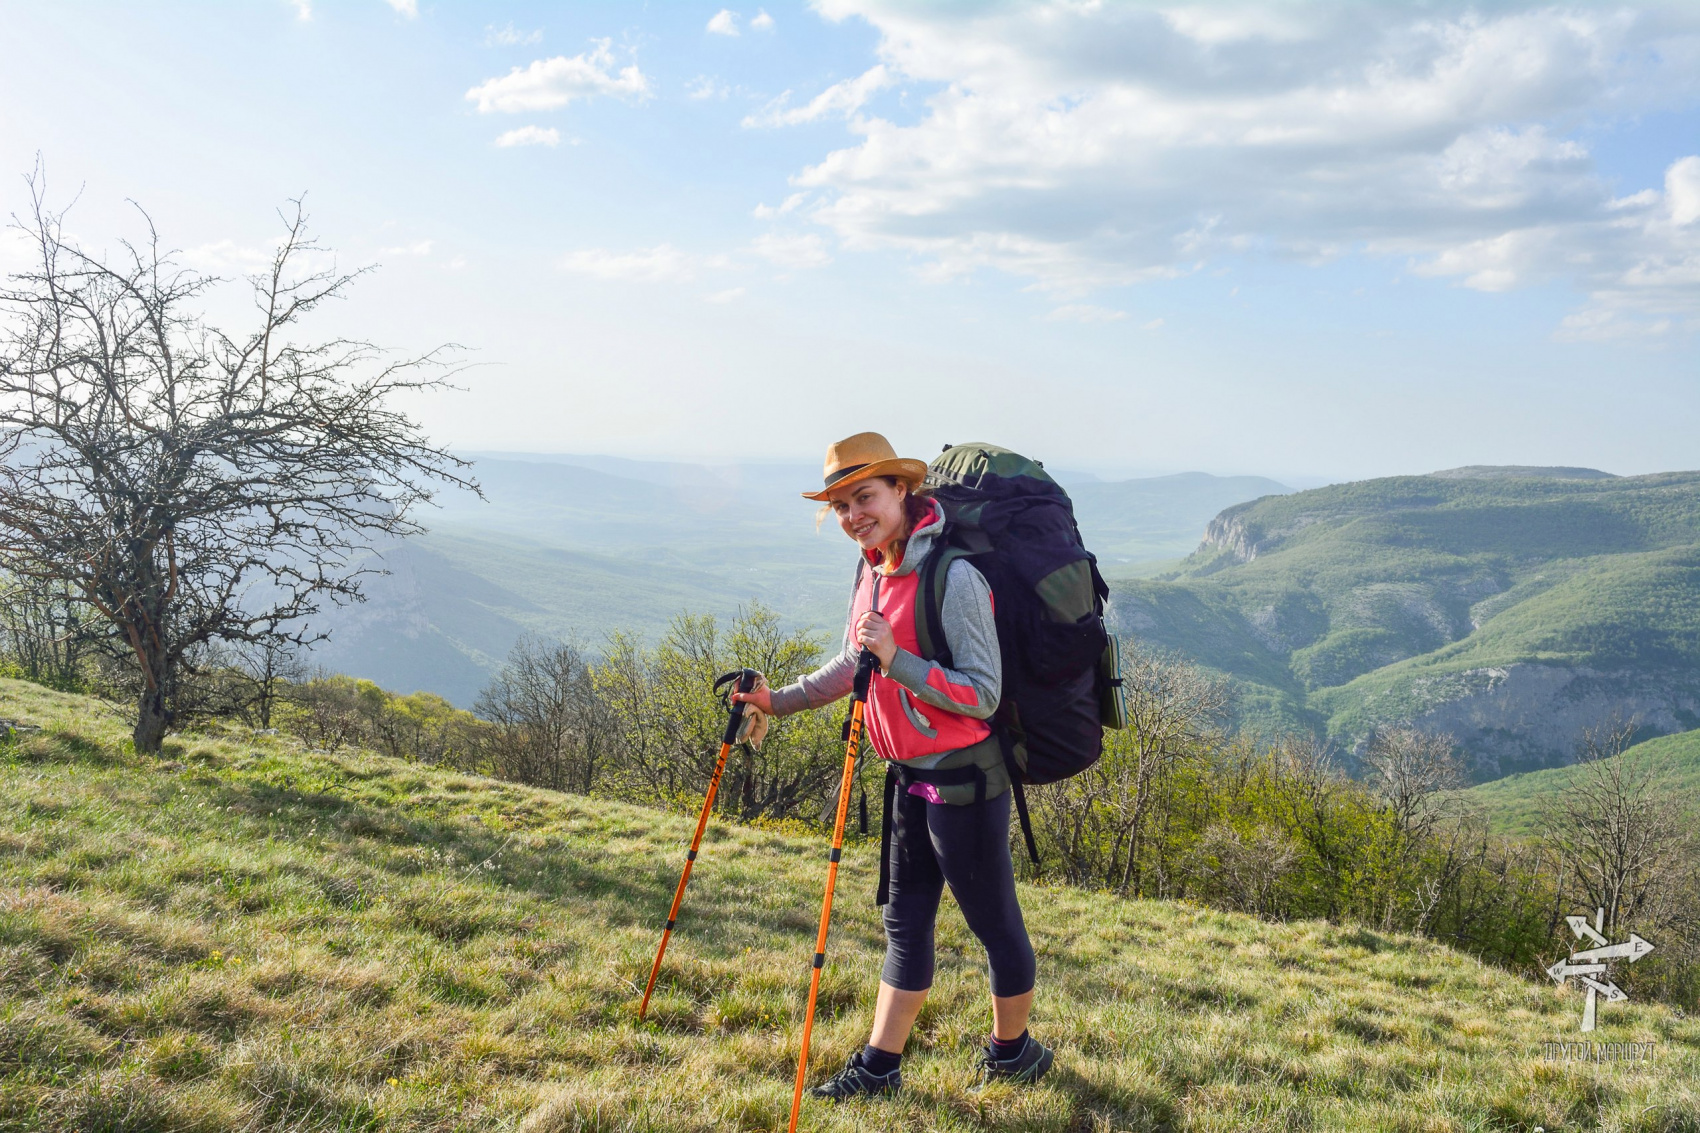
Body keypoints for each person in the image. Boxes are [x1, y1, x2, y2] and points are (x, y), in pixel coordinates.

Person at [733, 431, 1053, 1099]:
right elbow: (854, 661)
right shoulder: (872, 569)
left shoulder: (954, 576)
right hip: (906, 777)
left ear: (904, 490)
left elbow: (983, 692)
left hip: (964, 780)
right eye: (843, 505)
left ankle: (1012, 1051)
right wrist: (779, 700)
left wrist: (899, 661)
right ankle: (881, 1066)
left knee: (994, 923)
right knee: (904, 922)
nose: (854, 515)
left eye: (866, 497)